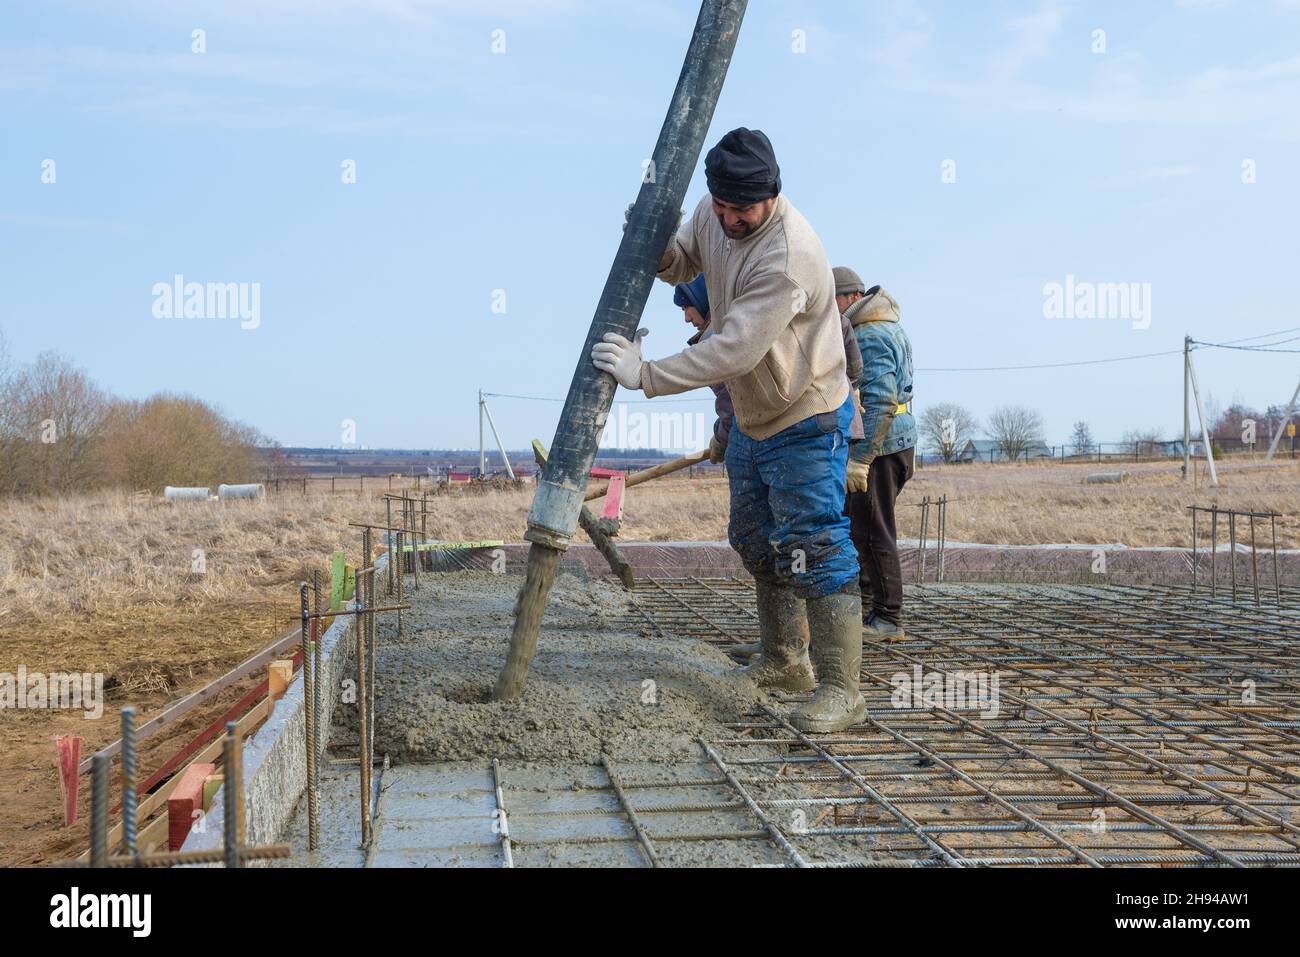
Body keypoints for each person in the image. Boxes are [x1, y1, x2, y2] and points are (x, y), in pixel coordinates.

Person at [592, 128, 865, 734]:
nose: (729, 220)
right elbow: (685, 257)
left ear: (771, 196)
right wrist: (656, 248)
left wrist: (648, 376)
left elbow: (735, 348)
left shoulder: (789, 256)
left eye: (742, 211)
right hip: (752, 415)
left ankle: (844, 690)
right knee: (753, 536)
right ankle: (784, 661)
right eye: (721, 208)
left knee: (813, 541)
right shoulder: (714, 211)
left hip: (805, 411)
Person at [833, 268, 915, 640]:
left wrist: (860, 459)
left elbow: (881, 401)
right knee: (861, 528)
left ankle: (887, 618)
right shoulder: (883, 325)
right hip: (892, 444)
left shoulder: (869, 334)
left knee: (872, 531)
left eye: (832, 301)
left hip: (880, 449)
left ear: (851, 297)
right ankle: (868, 611)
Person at [673, 274, 733, 463]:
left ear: (703, 300)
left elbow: (731, 404)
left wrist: (721, 439)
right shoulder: (730, 327)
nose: (686, 318)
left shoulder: (716, 342)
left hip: (749, 435)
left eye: (686, 308)